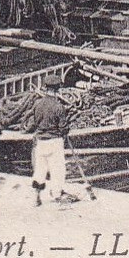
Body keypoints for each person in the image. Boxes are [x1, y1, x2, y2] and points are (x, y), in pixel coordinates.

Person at [26, 74, 83, 207]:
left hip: (40, 142)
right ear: (58, 88)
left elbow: (34, 122)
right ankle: (57, 195)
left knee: (40, 170)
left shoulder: (37, 104)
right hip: (54, 142)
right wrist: (65, 131)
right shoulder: (59, 107)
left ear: (45, 87)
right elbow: (63, 127)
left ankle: (36, 197)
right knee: (57, 170)